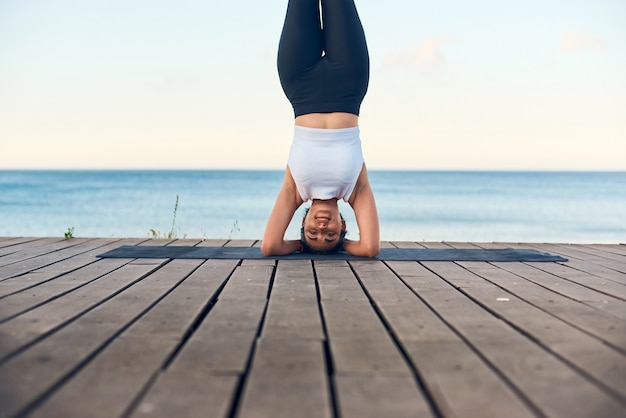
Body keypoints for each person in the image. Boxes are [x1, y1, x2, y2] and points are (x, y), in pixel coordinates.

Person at [261, 0, 379, 258]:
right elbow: (370, 249)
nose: (321, 228)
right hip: (349, 83)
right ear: (343, 225)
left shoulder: (295, 191)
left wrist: (299, 245)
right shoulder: (355, 191)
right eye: (331, 235)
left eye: (312, 233)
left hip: (300, 85)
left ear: (303, 223)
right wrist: (341, 247)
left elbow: (270, 247)